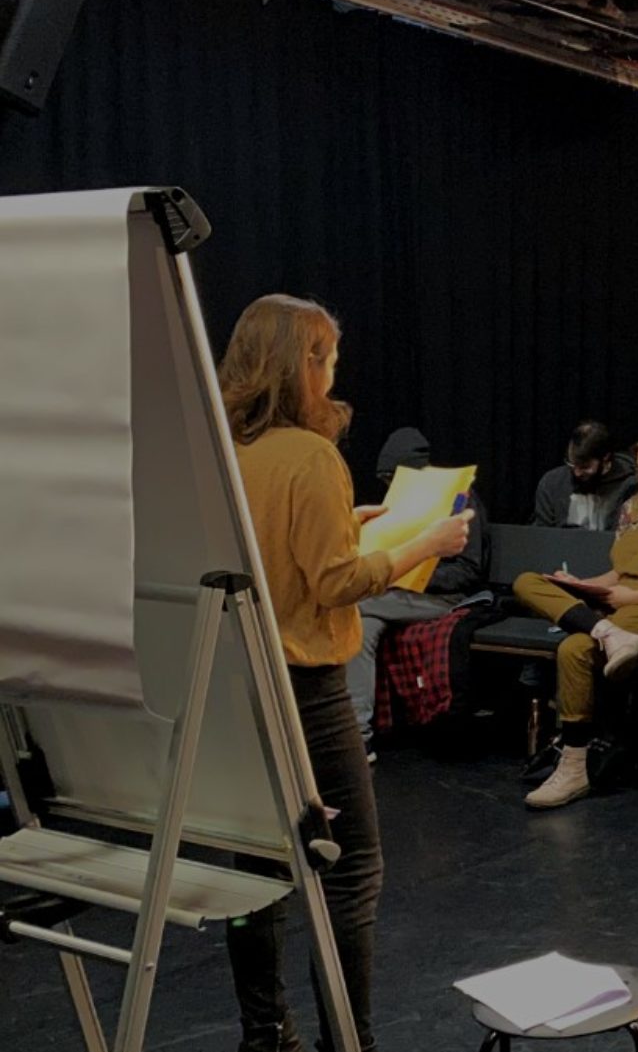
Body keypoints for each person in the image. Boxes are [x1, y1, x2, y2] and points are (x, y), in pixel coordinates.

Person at [218, 295, 471, 1052]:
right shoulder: (311, 455)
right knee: (352, 867)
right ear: (303, 364)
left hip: (240, 683)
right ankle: (348, 1040)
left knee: (255, 870)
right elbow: (334, 585)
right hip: (309, 688)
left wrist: (346, 524)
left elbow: (272, 556)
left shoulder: (225, 449)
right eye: (328, 358)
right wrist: (424, 543)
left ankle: (266, 1034)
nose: (335, 372)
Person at [510, 426, 638, 809]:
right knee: (526, 582)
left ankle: (573, 766)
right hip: (618, 604)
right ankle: (606, 631)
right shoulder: (632, 508)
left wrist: (637, 596)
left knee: (573, 648)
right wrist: (581, 585)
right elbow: (618, 573)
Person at [350, 427, 491, 756]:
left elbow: (468, 571)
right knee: (361, 627)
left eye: (392, 479)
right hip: (397, 596)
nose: (388, 487)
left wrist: (414, 575)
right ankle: (358, 737)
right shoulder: (397, 502)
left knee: (353, 605)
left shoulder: (460, 499)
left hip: (444, 598)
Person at [531, 419, 638, 530]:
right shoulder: (552, 483)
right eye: (572, 464)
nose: (577, 473)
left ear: (605, 458)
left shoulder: (630, 486)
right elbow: (542, 533)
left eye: (584, 467)